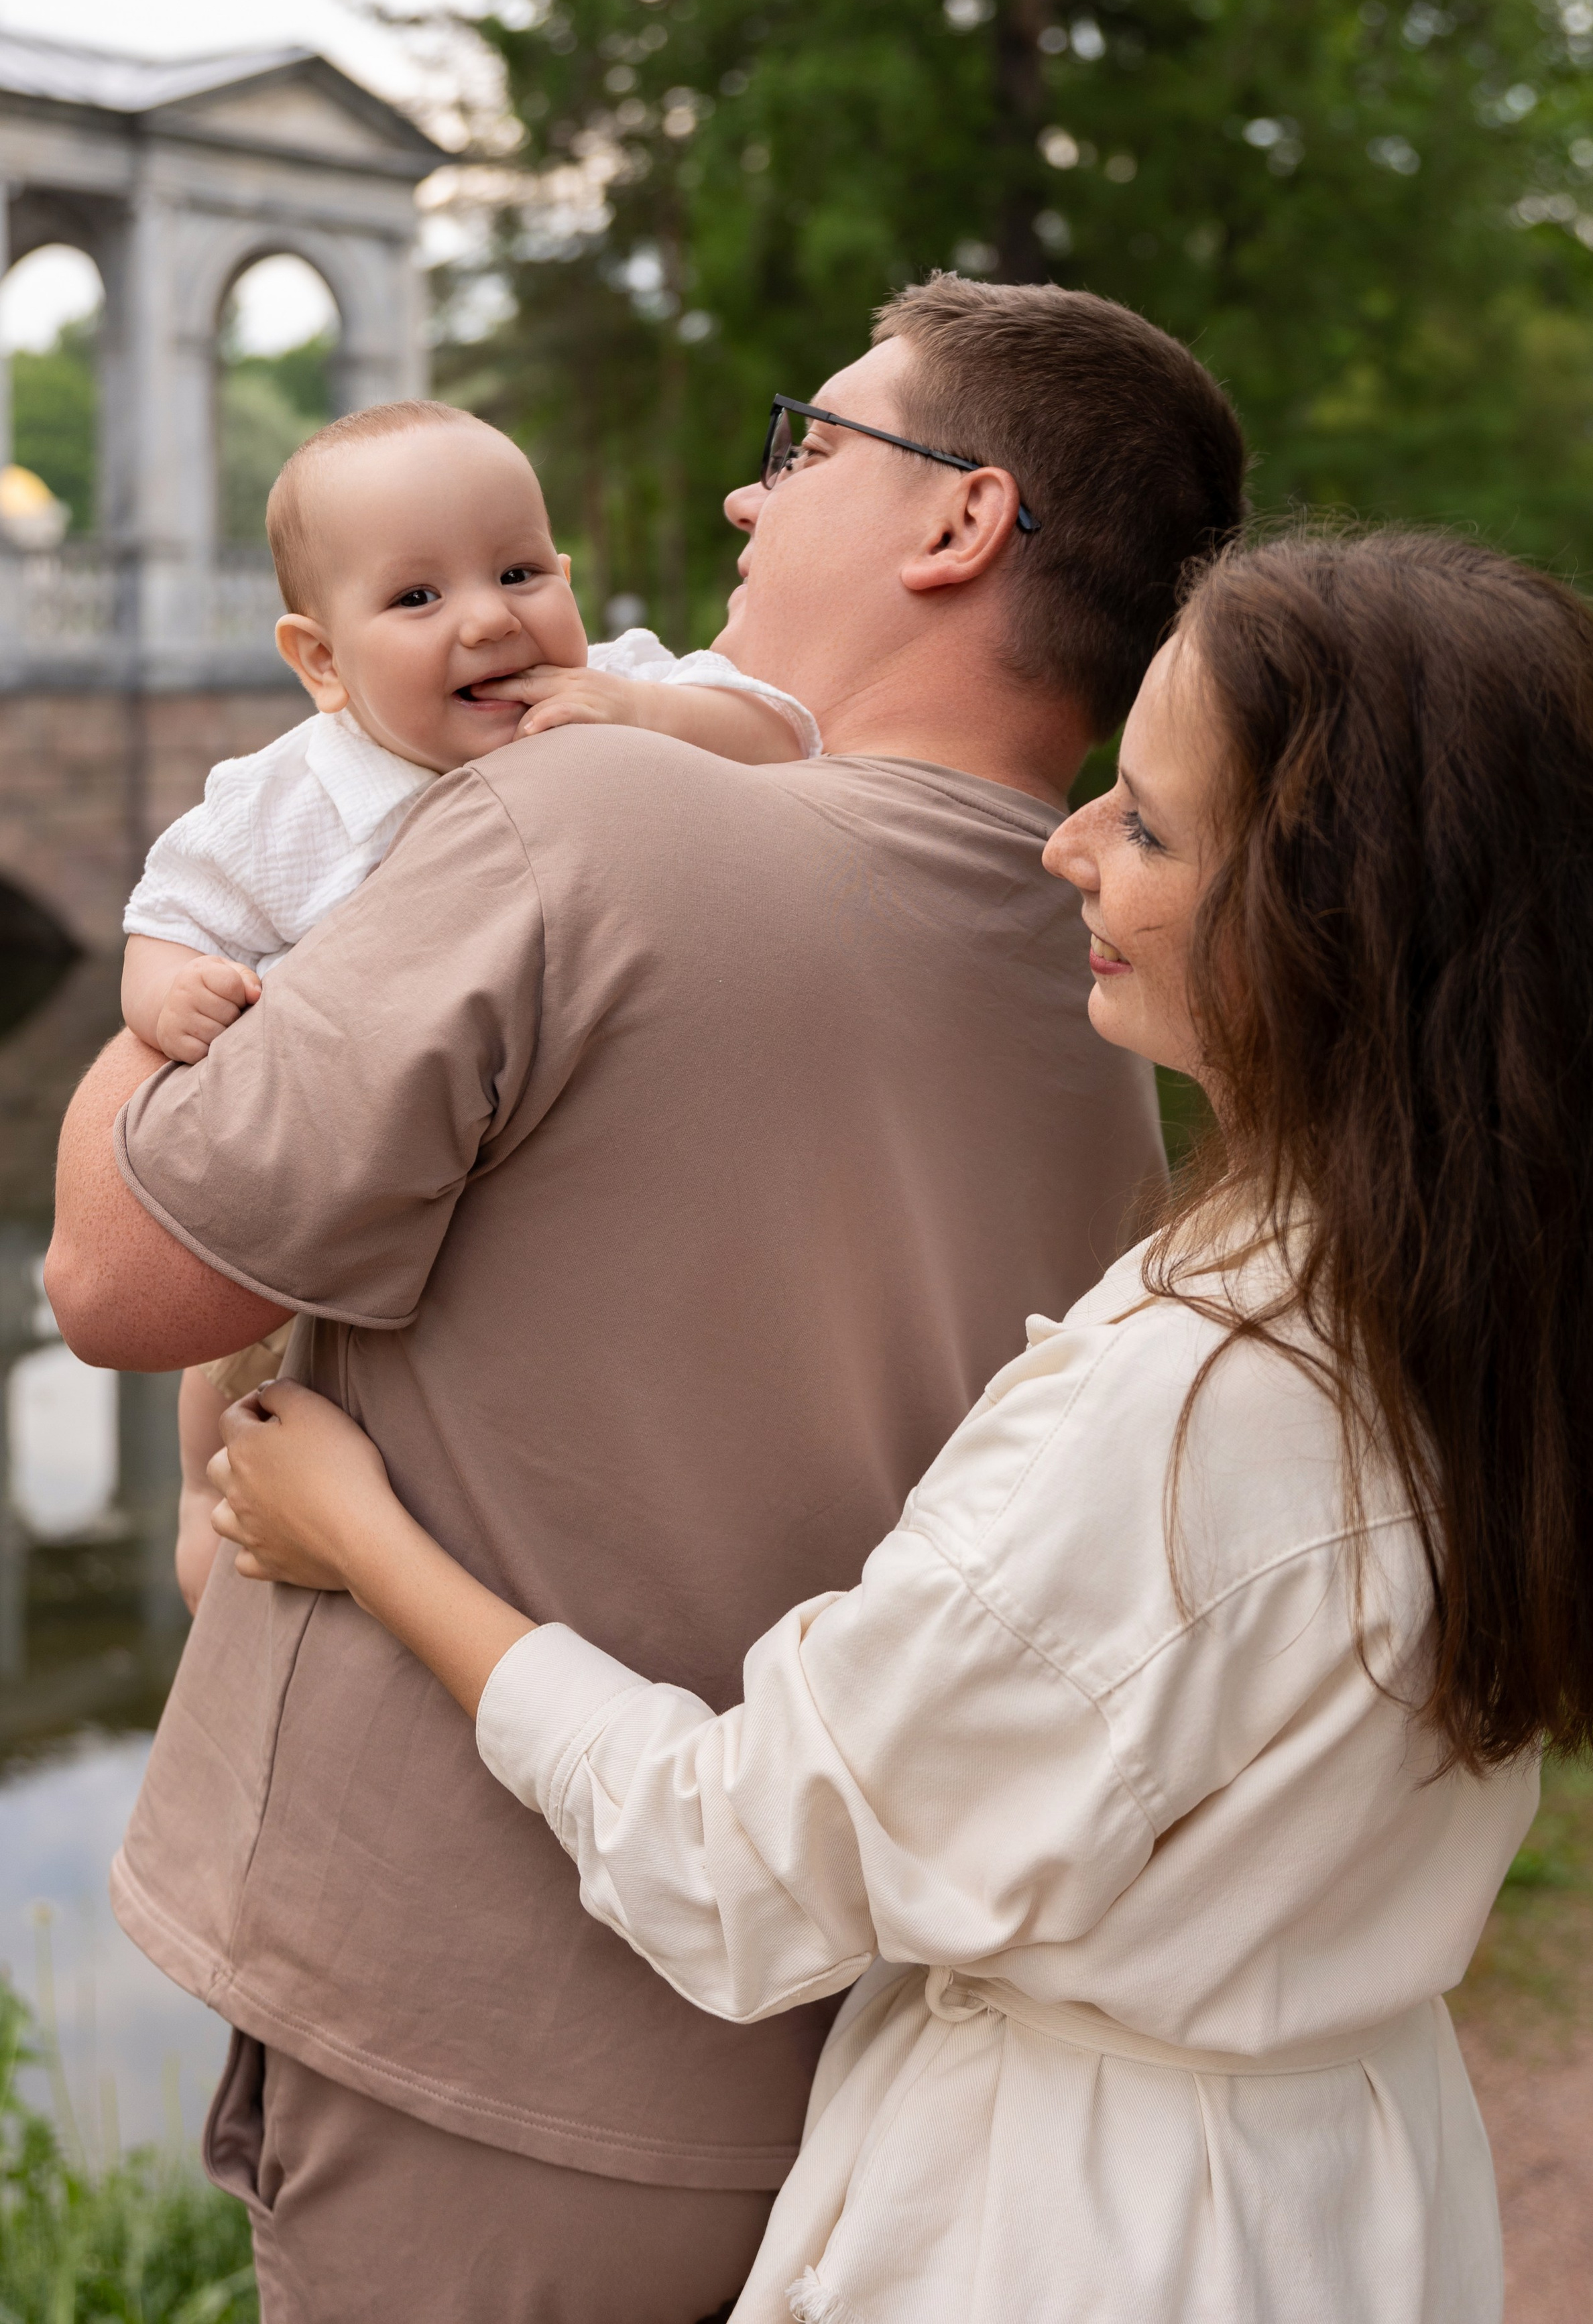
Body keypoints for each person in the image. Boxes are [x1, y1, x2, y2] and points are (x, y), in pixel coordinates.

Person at [204, 530, 1593, 2324]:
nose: (1065, 846)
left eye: (1146, 828)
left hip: (1077, 2232)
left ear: (1333, 917)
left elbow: (743, 1860)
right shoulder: (1547, 1280)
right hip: (1351, 2177)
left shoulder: (1195, 1409)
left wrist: (361, 1535)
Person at [45, 279, 1247, 2324]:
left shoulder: (573, 819)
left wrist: (168, 975)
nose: (746, 498)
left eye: (809, 447)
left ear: (959, 521)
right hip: (867, 2065)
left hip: (478, 2037)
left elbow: (118, 1279)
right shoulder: (1114, 988)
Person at [115, 399, 817, 1615]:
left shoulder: (621, 685)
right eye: (417, 597)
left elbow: (787, 737)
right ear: (321, 662)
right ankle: (197, 1515)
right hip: (328, 1173)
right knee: (230, 1380)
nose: (490, 618)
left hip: (536, 1194)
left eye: (520, 572)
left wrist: (649, 717)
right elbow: (168, 911)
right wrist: (172, 992)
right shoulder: (285, 801)